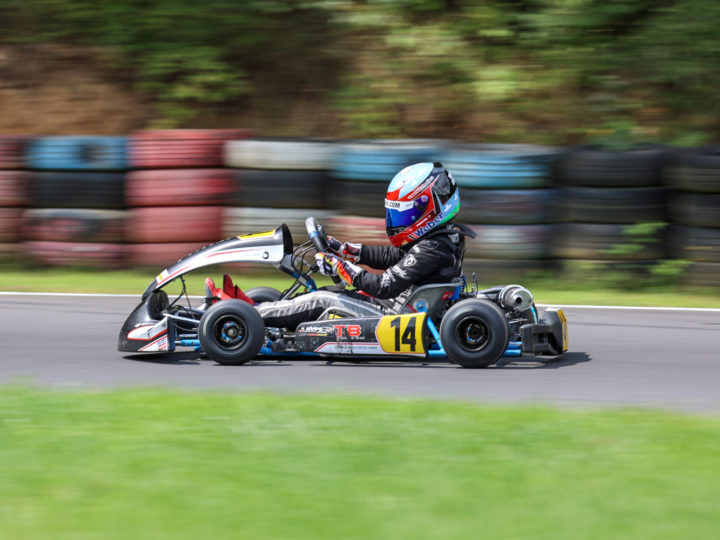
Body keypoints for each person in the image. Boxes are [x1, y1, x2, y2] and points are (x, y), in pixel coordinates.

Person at [219, 162, 472, 329]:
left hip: (393, 317)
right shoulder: (439, 239)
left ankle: (244, 316)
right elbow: (395, 257)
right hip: (400, 306)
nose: (398, 222)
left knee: (320, 299)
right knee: (328, 291)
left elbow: (384, 286)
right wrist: (348, 251)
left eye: (404, 214)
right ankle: (260, 311)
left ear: (428, 208)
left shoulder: (432, 248)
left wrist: (341, 267)